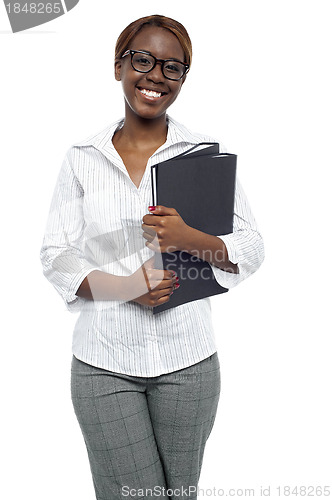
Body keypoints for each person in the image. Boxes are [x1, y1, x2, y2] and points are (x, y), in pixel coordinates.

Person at [40, 14, 264, 500]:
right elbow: (56, 256)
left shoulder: (203, 155)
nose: (155, 76)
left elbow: (251, 247)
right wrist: (126, 289)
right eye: (142, 60)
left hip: (190, 364)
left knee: (180, 495)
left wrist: (190, 236)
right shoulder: (83, 157)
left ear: (184, 78)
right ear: (118, 66)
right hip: (104, 364)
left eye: (172, 67)